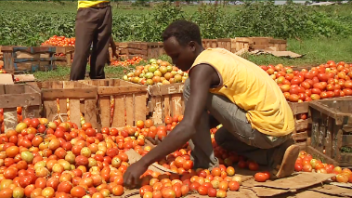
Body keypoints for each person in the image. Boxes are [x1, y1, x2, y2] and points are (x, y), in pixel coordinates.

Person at [123, 20, 299, 187]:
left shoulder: (201, 70)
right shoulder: (216, 55)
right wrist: (179, 136)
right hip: (279, 127)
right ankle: (275, 154)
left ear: (192, 46)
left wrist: (144, 162)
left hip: (264, 129)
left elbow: (190, 125)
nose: (174, 63)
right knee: (221, 138)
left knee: (190, 87)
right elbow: (220, 111)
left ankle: (205, 165)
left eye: (176, 56)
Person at [70, 0, 112, 81]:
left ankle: (98, 82)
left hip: (106, 9)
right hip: (87, 10)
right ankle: (74, 84)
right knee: (82, 52)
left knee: (101, 51)